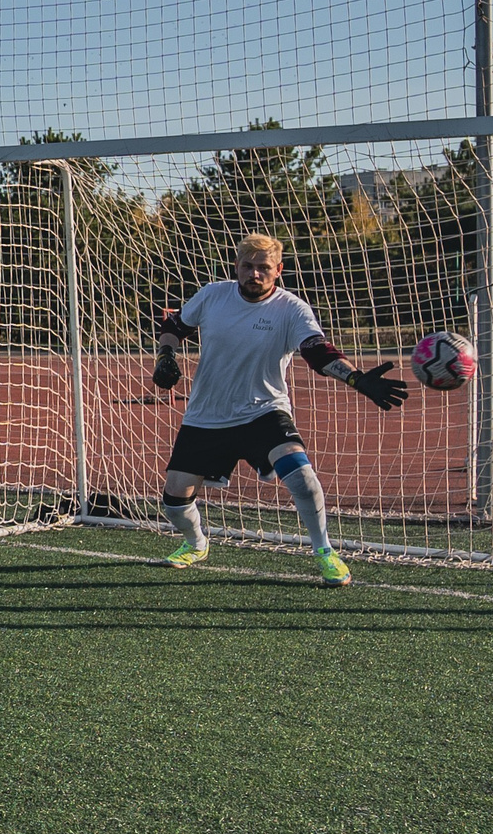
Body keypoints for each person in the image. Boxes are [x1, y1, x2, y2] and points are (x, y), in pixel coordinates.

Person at [151, 232, 406, 586]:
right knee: (173, 504)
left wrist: (357, 379)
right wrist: (166, 356)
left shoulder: (291, 309)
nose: (254, 274)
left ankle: (325, 552)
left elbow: (318, 351)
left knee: (301, 477)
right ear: (236, 267)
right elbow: (175, 325)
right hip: (207, 416)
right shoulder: (213, 295)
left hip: (263, 411)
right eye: (247, 266)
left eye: (263, 268)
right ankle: (195, 544)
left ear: (278, 270)